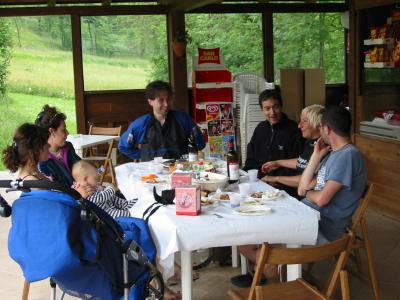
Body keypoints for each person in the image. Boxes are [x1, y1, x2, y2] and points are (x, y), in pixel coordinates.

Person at [298, 105, 367, 243]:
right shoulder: (333, 154)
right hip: (307, 218)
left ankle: (275, 263)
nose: (320, 131)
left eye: (320, 127)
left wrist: (308, 194)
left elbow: (321, 199)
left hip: (320, 228)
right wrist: (315, 157)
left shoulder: (348, 156)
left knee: (265, 234)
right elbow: (301, 189)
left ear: (327, 129)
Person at [118, 80, 205, 162]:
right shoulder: (140, 124)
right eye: (161, 100)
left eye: (168, 99)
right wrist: (142, 155)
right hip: (151, 172)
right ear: (150, 102)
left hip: (180, 170)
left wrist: (189, 155)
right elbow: (123, 146)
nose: (166, 104)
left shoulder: (183, 119)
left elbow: (200, 142)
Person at [243, 88, 303, 196]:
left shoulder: (294, 130)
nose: (272, 113)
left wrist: (275, 180)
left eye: (275, 107)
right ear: (262, 110)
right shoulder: (260, 128)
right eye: (267, 108)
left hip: (283, 186)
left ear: (281, 106)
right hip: (259, 182)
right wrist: (251, 176)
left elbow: (299, 164)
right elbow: (251, 159)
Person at [261, 104, 324, 198]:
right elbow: (302, 162)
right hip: (299, 194)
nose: (299, 125)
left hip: (308, 198)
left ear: (317, 124)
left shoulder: (324, 148)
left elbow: (307, 180)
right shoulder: (310, 141)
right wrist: (277, 163)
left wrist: (276, 178)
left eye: (304, 121)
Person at [35, 105, 94, 198]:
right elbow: (56, 191)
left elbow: (81, 169)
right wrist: (77, 193)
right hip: (70, 201)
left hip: (85, 193)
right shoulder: (43, 162)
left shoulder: (68, 147)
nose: (67, 133)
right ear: (52, 132)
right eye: (63, 130)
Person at [72, 160, 136, 219]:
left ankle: (125, 204)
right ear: (85, 179)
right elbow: (101, 198)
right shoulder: (84, 192)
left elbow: (95, 173)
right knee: (119, 213)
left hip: (108, 202)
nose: (97, 180)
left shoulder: (89, 181)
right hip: (105, 212)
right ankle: (131, 214)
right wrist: (111, 189)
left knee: (114, 198)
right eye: (95, 179)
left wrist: (101, 170)